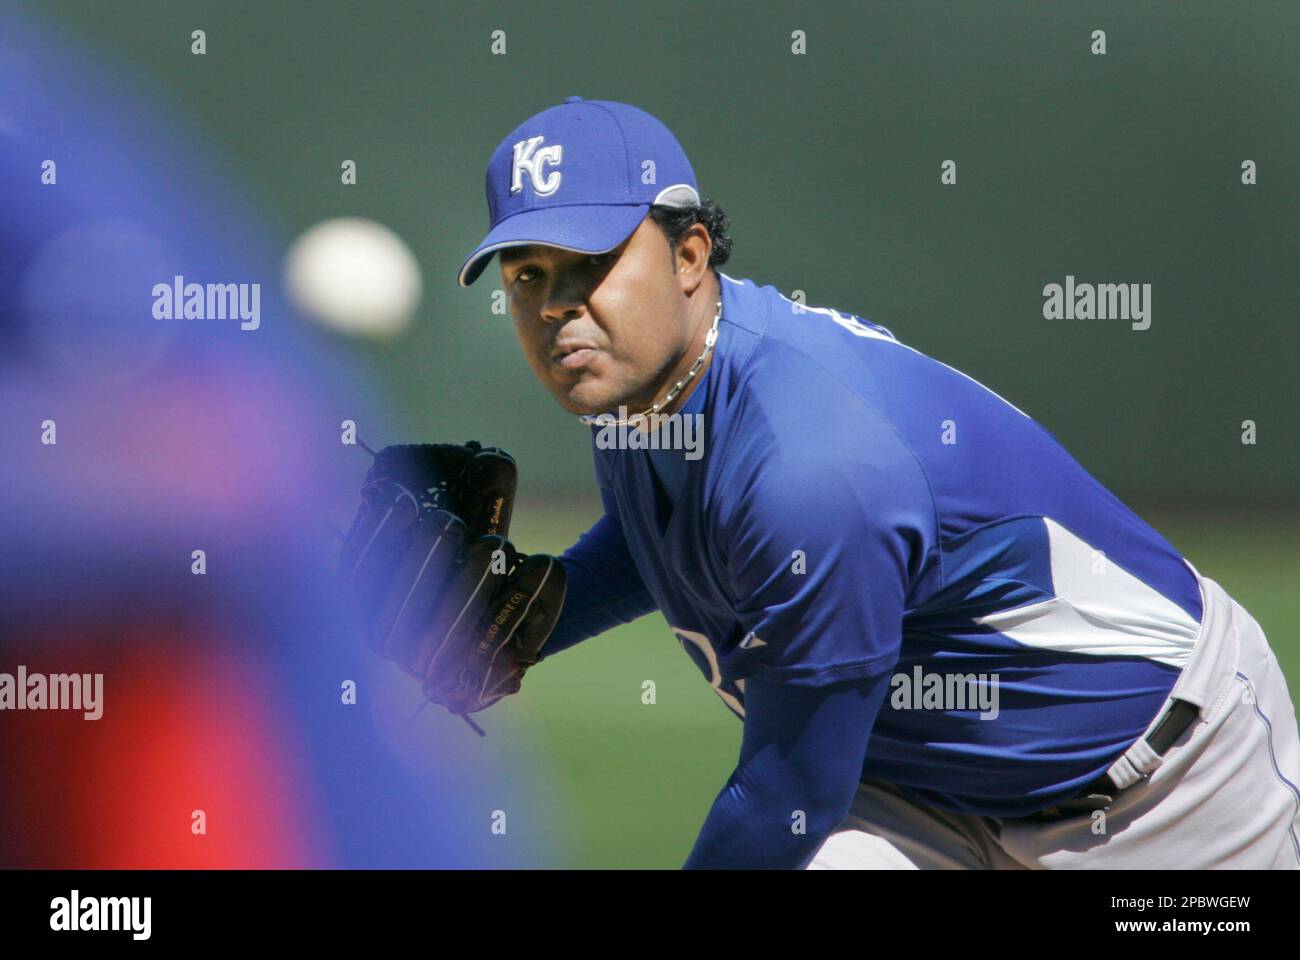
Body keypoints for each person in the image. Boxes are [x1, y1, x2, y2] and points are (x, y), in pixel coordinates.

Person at [455, 96, 1300, 869]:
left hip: (1170, 794)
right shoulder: (659, 377)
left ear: (688, 254)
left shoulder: (813, 468)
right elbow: (677, 526)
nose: (558, 304)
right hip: (920, 797)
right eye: (528, 274)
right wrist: (533, 613)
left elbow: (788, 798)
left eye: (592, 262)